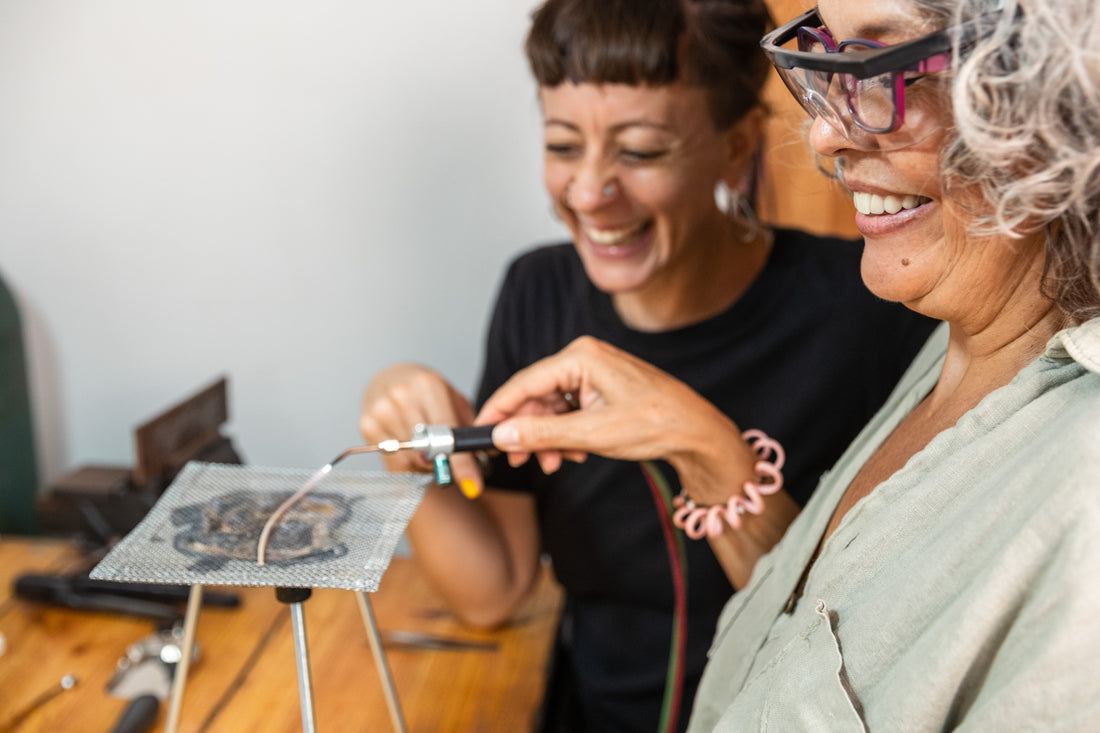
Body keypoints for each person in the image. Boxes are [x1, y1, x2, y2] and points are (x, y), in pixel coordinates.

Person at [477, 0, 1100, 729]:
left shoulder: (1075, 496)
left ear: (1057, 80)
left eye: (876, 66)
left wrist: (710, 454)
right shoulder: (952, 339)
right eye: (825, 63)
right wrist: (701, 445)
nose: (824, 136)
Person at [359, 0, 936, 730]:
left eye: (639, 151)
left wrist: (707, 449)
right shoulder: (536, 294)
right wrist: (411, 444)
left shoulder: (865, 308)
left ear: (737, 148)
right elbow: (493, 589)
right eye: (563, 146)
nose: (592, 192)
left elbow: (861, 636)